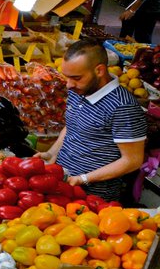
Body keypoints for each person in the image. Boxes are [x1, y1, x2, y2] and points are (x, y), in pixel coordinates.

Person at [38, 40, 147, 202]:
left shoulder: (123, 107)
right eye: (67, 77)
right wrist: (51, 153)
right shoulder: (80, 90)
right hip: (63, 185)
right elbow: (72, 127)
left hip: (94, 197)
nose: (68, 85)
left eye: (76, 78)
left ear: (99, 70)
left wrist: (83, 179)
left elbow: (132, 161)